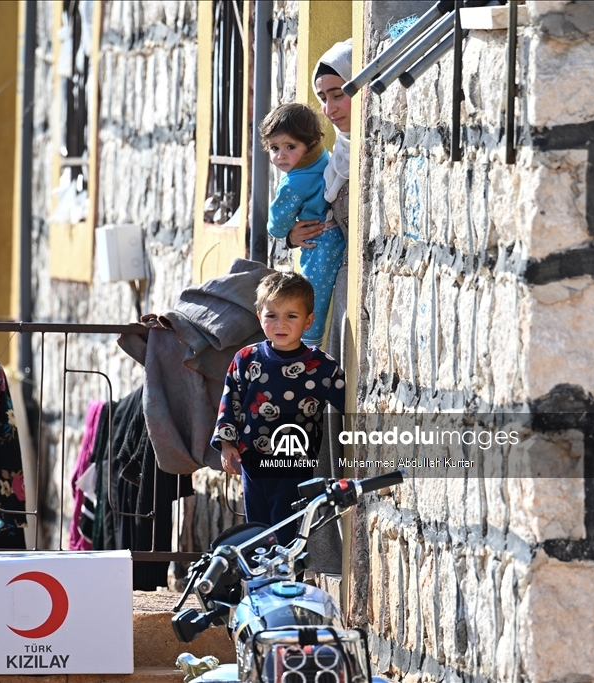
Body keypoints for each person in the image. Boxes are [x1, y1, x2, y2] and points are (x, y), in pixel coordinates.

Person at [211, 271, 346, 543]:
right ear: (259, 316)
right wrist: (226, 445)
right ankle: (261, 584)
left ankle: (286, 584)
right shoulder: (246, 359)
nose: (280, 324)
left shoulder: (322, 367)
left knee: (287, 532)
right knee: (258, 532)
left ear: (309, 321)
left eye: (291, 316)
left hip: (294, 466)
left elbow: (350, 404)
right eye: (271, 315)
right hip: (253, 464)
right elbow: (230, 402)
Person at [261, 103, 346, 347]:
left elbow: (277, 225)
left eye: (290, 146)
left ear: (308, 144)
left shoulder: (293, 184)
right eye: (274, 148)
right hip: (335, 234)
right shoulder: (322, 157)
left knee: (310, 295)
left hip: (319, 243)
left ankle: (308, 345)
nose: (281, 155)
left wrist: (285, 232)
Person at [288, 40, 353, 284]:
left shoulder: (378, 147)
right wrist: (293, 235)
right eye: (323, 98)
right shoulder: (336, 156)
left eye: (337, 95)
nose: (329, 109)